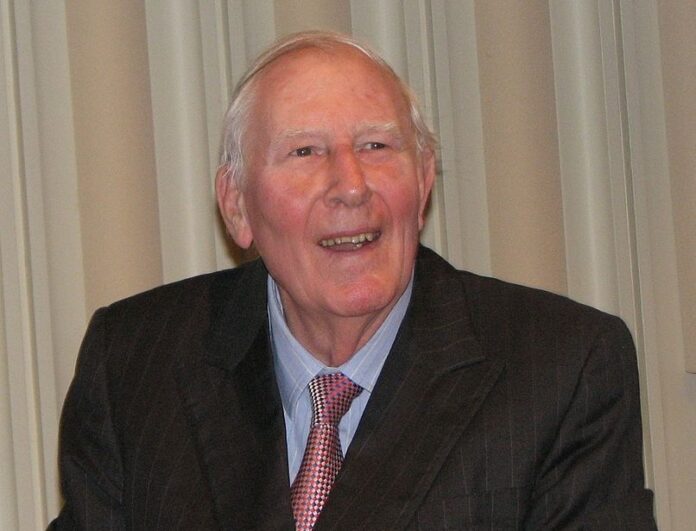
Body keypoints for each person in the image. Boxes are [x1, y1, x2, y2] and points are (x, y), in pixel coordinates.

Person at [50, 31, 656, 530]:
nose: (351, 184)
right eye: (305, 152)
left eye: (376, 145)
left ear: (422, 184)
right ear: (236, 206)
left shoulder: (562, 366)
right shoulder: (134, 362)